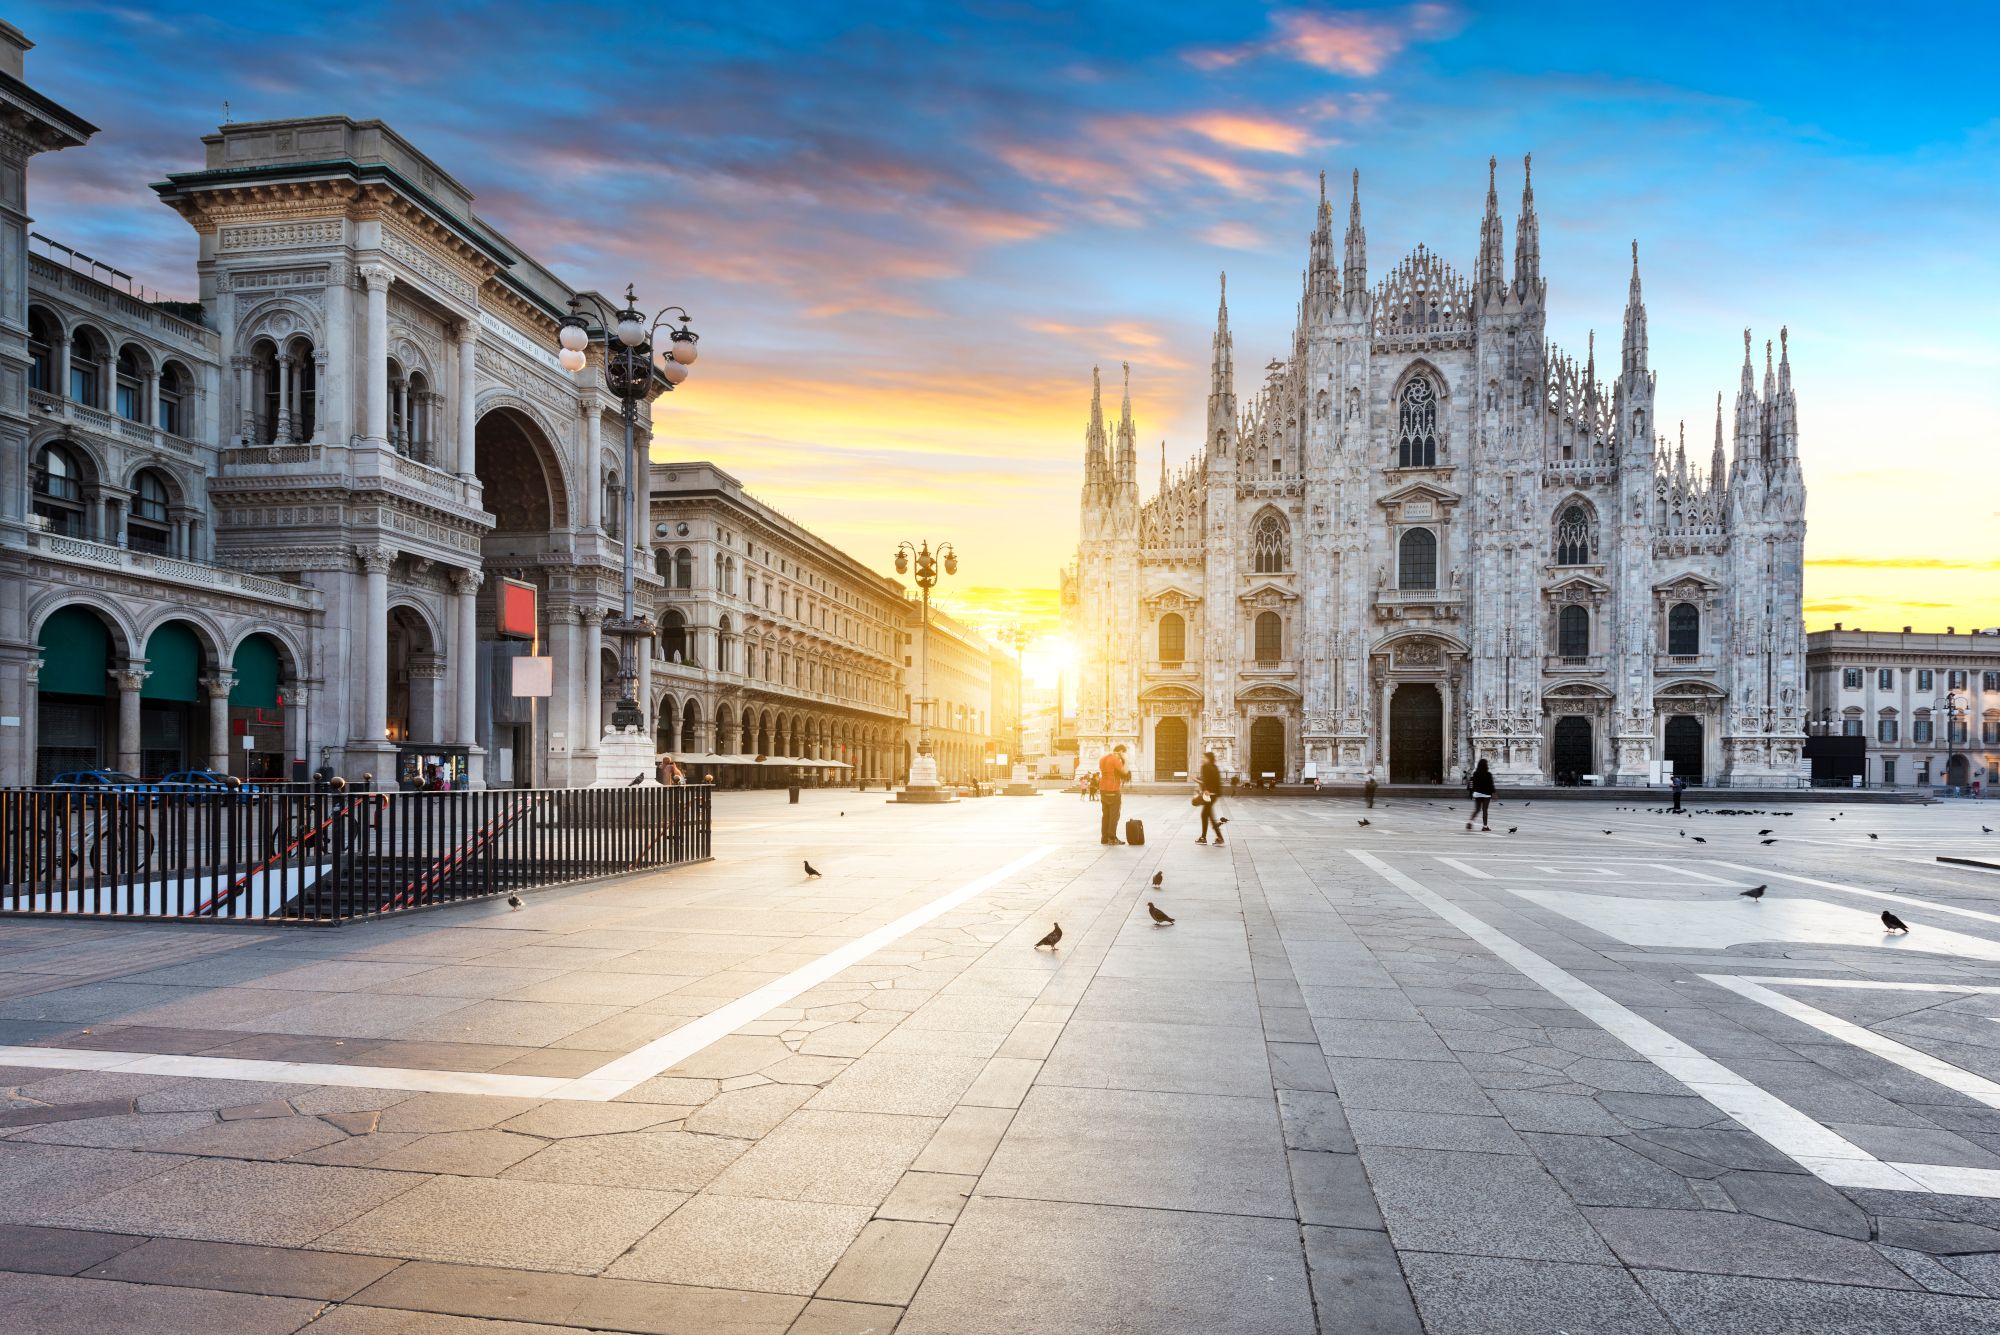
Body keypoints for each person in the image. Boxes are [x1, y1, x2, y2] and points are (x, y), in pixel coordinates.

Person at [1098, 744, 1129, 845]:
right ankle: (1112, 838)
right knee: (1114, 815)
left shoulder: (1102, 758)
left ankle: (1104, 838)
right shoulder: (1115, 759)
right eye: (1124, 753)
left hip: (1103, 789)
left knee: (1106, 815)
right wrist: (1126, 760)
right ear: (1120, 751)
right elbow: (1125, 771)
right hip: (1113, 789)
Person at [1196, 751, 1225, 846]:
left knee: (1207, 815)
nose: (1202, 759)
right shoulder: (1214, 767)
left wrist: (1205, 789)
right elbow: (1217, 782)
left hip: (1208, 795)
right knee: (1206, 815)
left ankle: (1218, 838)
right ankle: (1205, 837)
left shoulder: (1205, 767)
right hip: (1214, 795)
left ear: (1208, 758)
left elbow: (1206, 780)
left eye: (1203, 757)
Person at [1466, 758, 1495, 832]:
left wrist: (1471, 793)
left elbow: (1472, 783)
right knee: (1485, 810)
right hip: (1486, 794)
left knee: (1477, 809)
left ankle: (1470, 822)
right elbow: (1491, 785)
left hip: (1477, 793)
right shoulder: (1488, 774)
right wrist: (1494, 793)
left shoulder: (1475, 773)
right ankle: (1485, 826)